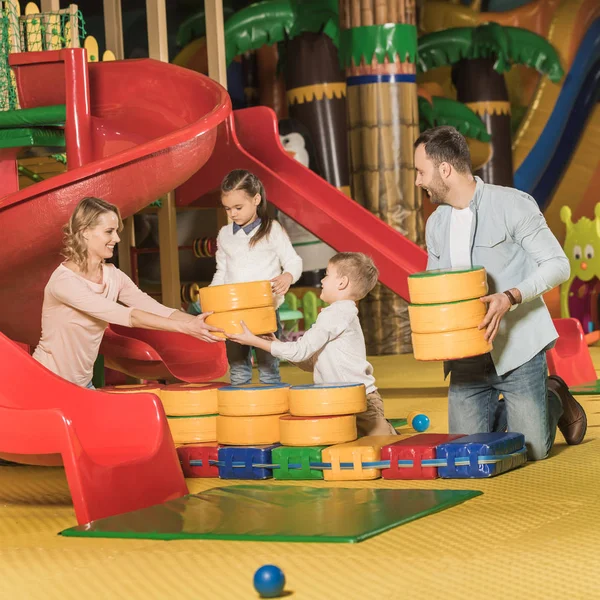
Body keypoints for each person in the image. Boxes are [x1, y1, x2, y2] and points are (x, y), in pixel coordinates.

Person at [414, 125, 586, 460]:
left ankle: (552, 396)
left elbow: (558, 264)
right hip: (467, 361)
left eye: (421, 171)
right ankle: (514, 415)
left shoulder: (513, 205)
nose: (418, 180)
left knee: (529, 451)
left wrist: (510, 297)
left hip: (517, 352)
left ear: (444, 169)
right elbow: (435, 287)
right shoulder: (436, 224)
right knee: (467, 454)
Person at [33, 197, 223, 389]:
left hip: (83, 384)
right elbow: (126, 315)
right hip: (47, 382)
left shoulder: (113, 276)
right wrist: (185, 329)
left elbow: (155, 308)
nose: (117, 238)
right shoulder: (64, 282)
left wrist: (195, 322)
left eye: (116, 231)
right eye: (109, 231)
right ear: (85, 232)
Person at [228, 252, 397, 436]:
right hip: (335, 401)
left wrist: (255, 341)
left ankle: (388, 431)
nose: (322, 281)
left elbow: (300, 351)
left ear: (342, 283)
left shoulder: (336, 314)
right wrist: (277, 345)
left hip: (360, 401)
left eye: (326, 274)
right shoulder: (340, 312)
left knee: (384, 448)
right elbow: (311, 362)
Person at [211, 169, 302, 385]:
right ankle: (242, 414)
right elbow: (221, 271)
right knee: (238, 370)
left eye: (238, 207)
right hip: (233, 313)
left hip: (265, 311)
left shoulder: (272, 230)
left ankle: (272, 412)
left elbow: (293, 260)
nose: (232, 213)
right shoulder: (225, 235)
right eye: (227, 208)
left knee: (268, 369)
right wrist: (212, 298)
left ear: (256, 199)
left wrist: (288, 276)